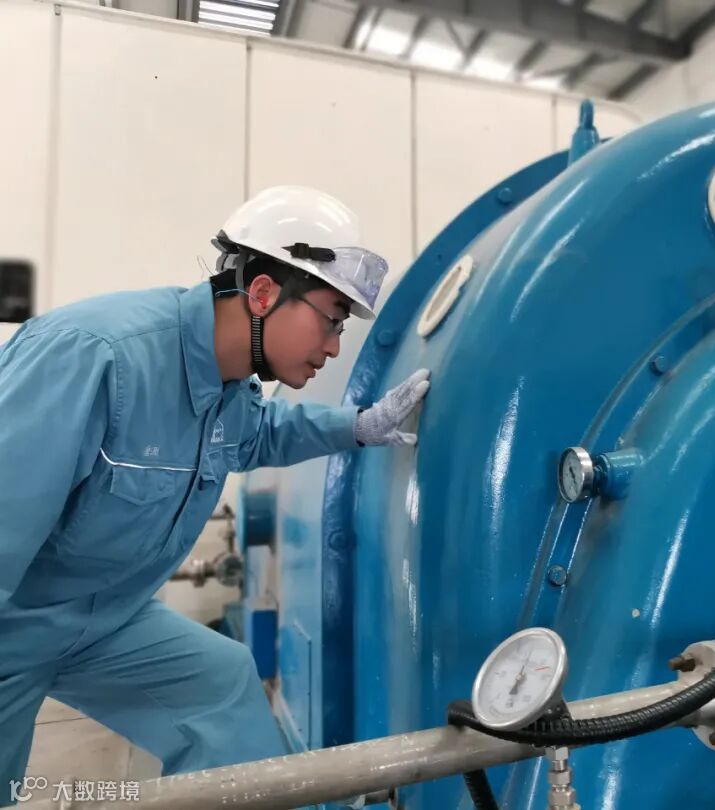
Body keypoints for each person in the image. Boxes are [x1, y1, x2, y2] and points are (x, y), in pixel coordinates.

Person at [0, 186, 429, 799]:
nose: (335, 345)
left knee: (221, 685)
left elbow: (260, 433)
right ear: (263, 293)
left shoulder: (231, 388)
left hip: (107, 619)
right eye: (331, 319)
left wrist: (359, 426)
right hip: (13, 627)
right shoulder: (95, 356)